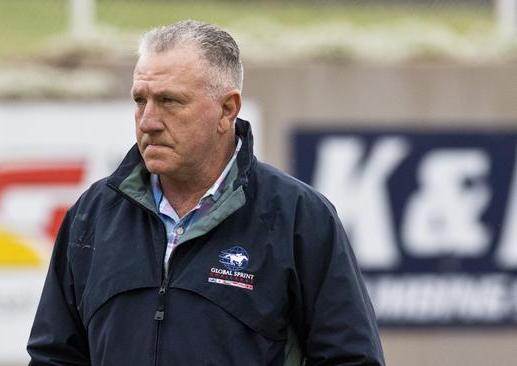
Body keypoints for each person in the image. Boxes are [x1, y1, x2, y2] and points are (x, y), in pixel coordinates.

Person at [27, 20, 385, 366]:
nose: (148, 120)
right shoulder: (93, 214)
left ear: (227, 110)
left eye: (169, 101)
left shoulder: (299, 217)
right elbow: (55, 357)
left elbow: (350, 358)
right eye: (140, 100)